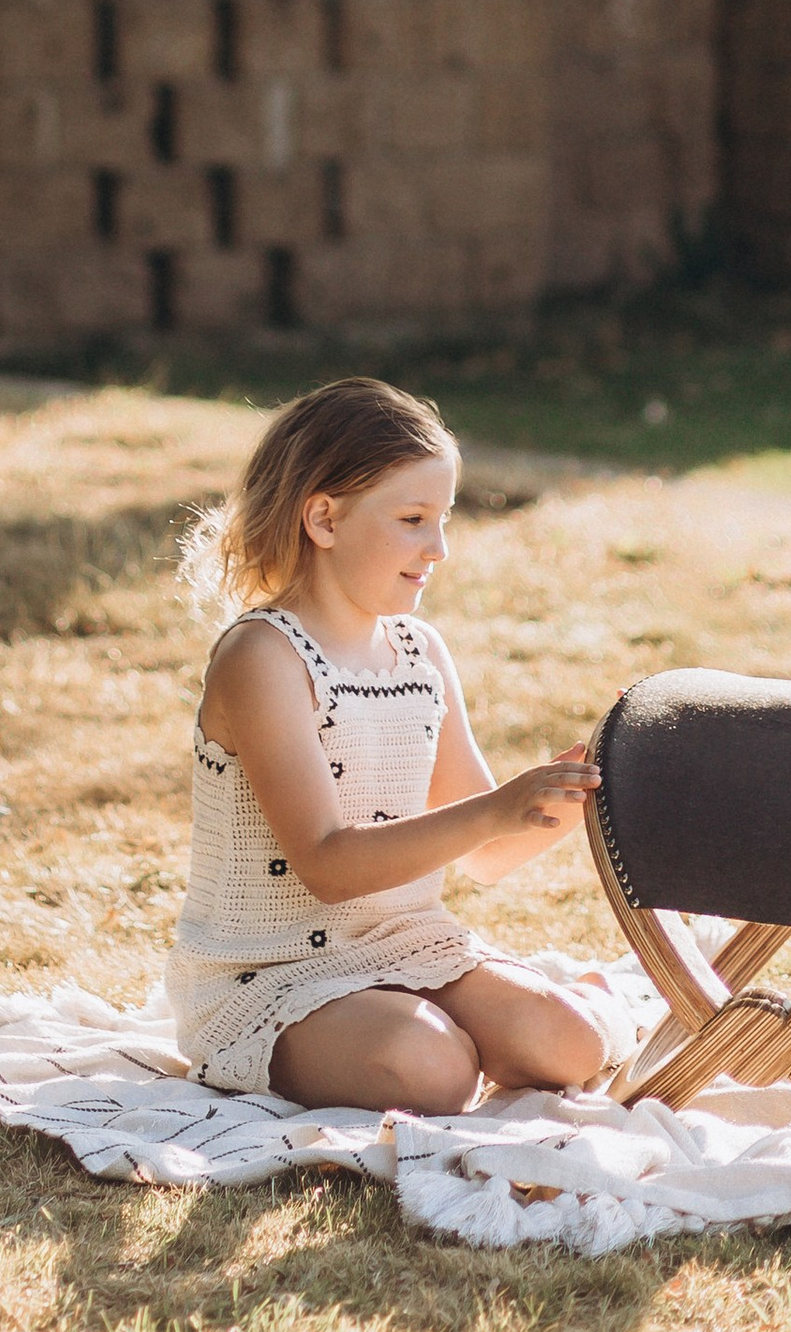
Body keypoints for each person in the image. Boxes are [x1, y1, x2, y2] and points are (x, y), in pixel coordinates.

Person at [167, 374, 623, 1113]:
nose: (438, 547)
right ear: (323, 518)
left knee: (572, 1045)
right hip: (269, 972)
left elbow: (489, 851)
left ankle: (547, 1006)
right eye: (413, 518)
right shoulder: (262, 658)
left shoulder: (420, 651)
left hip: (405, 946)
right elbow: (326, 865)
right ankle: (417, 1031)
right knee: (434, 1071)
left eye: (443, 520)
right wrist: (495, 809)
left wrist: (587, 782)